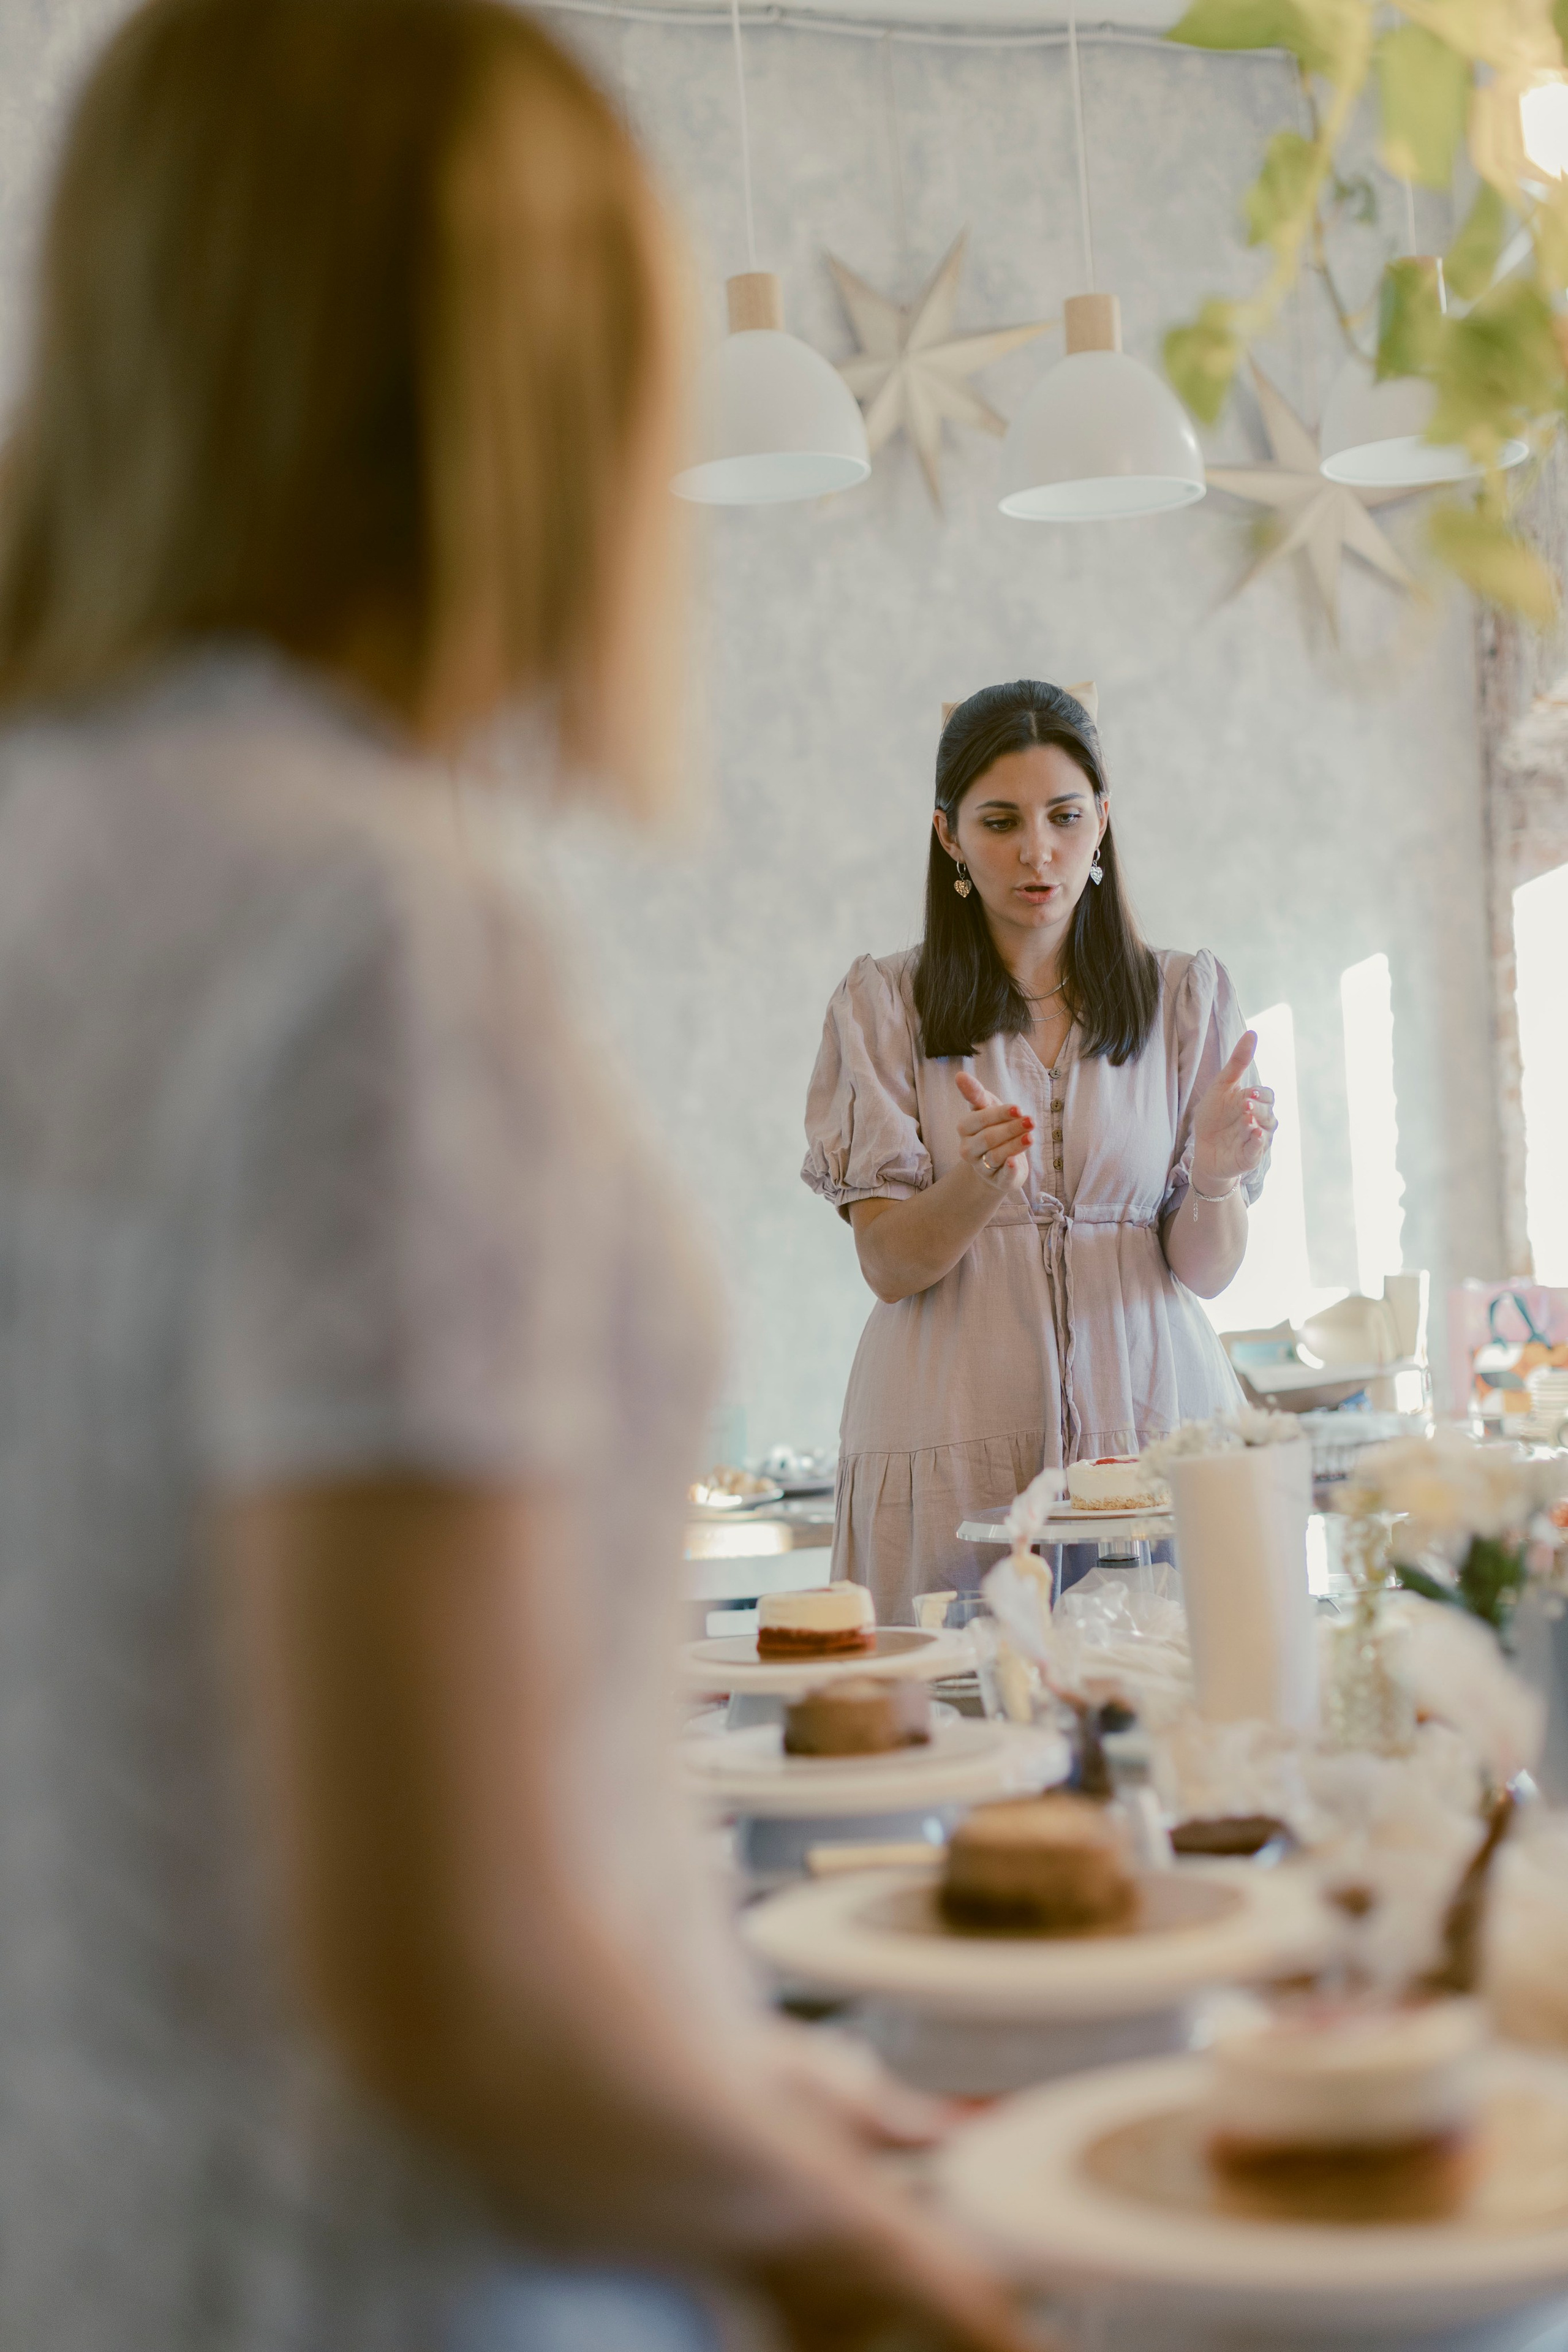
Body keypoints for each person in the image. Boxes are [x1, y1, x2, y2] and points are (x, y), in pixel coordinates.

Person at [0, 6, 1038, 2348]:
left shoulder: (58, 855)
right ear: (501, 391)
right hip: (401, 2270)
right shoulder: (352, 929)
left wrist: (749, 2103)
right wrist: (853, 2261)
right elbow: (442, 1966)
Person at [803, 680, 1276, 1622]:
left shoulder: (1184, 998)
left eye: (1064, 816)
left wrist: (1217, 1179)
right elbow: (889, 1265)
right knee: (956, 1720)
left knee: (1162, 1720)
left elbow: (1206, 1271)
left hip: (1153, 1419)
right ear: (949, 839)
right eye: (1000, 820)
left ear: (1102, 821)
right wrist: (976, 1184)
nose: (1038, 851)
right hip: (949, 1429)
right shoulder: (884, 1005)